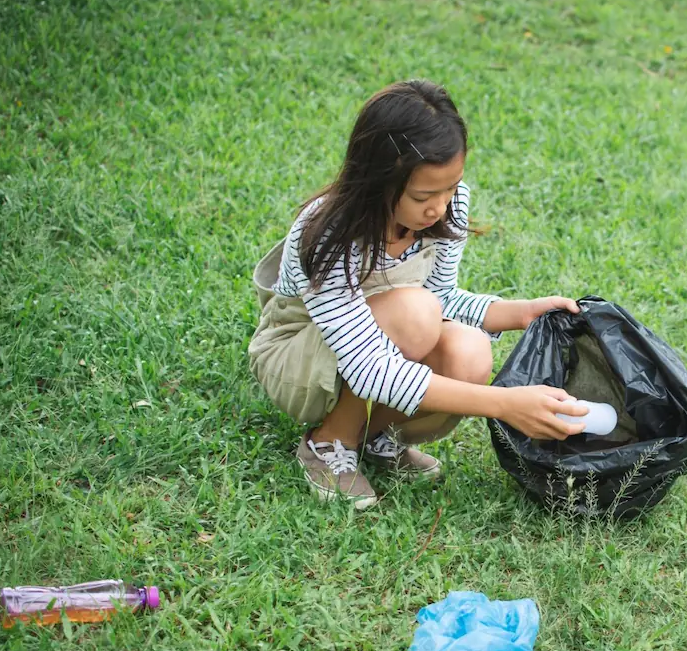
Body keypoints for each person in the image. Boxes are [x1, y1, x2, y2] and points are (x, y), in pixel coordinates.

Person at [248, 79, 587, 508]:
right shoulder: (329, 232)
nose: (441, 207)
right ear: (377, 180)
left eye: (451, 188)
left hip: (384, 340)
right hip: (299, 354)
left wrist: (522, 313)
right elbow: (369, 364)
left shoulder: (448, 205)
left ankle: (374, 437)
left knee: (469, 351)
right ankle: (329, 440)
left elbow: (441, 297)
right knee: (414, 313)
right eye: (424, 195)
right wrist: (504, 405)